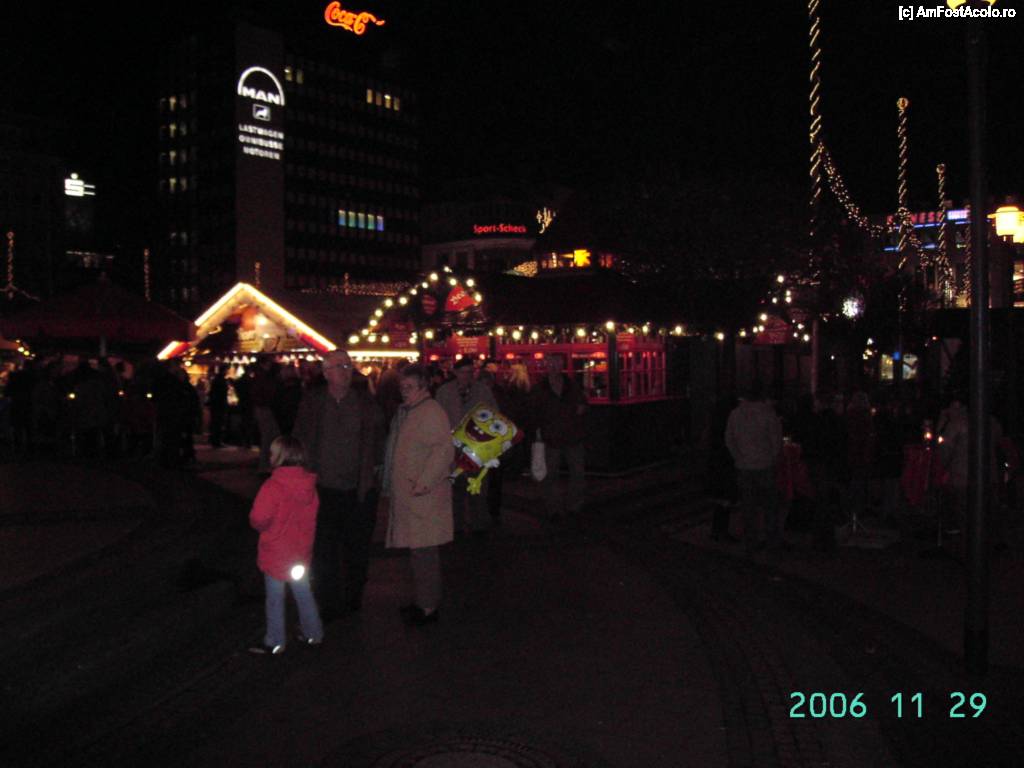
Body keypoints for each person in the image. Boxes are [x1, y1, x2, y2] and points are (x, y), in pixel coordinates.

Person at [293, 350, 382, 619]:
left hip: (358, 490)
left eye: (347, 366)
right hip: (323, 489)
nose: (345, 371)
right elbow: (300, 439)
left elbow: (378, 439)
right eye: (338, 366)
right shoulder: (314, 402)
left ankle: (354, 598)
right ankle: (328, 601)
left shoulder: (365, 403)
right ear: (325, 373)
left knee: (357, 548)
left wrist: (374, 474)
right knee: (324, 550)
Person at [382, 365, 454, 625]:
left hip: (423, 496)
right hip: (414, 495)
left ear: (423, 387)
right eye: (402, 387)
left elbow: (443, 450)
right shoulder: (410, 411)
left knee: (425, 554)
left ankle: (428, 607)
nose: (404, 391)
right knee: (419, 552)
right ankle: (423, 602)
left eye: (409, 387)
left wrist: (424, 483)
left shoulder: (430, 412)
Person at [247, 435, 324, 655]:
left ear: (280, 457)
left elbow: (258, 518)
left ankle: (275, 640)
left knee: (274, 599)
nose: (269, 456)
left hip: (276, 554)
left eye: (272, 453)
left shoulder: (273, 487)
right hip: (299, 555)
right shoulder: (309, 486)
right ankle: (313, 632)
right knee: (303, 593)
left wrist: (263, 525)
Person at [435, 357, 498, 535]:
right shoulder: (445, 392)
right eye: (463, 372)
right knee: (456, 489)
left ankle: (478, 524)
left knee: (477, 488)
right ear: (455, 373)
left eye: (470, 372)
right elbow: (438, 418)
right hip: (453, 446)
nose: (467, 376)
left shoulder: (482, 390)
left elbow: (494, 414)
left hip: (477, 446)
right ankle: (457, 525)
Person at [725, 382, 783, 553]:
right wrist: (772, 457)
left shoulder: (736, 414)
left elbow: (729, 439)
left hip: (744, 466)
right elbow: (776, 440)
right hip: (765, 465)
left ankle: (751, 541)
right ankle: (771, 541)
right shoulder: (768, 413)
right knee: (769, 506)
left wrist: (738, 456)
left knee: (748, 507)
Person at [531, 354, 588, 522]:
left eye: (557, 363)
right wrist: (538, 431)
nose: (554, 366)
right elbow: (532, 411)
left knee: (577, 473)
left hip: (572, 435)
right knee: (551, 475)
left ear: (561, 365)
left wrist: (582, 409)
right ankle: (554, 508)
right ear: (547, 365)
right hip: (551, 436)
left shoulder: (572, 385)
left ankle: (574, 505)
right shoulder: (540, 388)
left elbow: (584, 403)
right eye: (551, 363)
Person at [252, 356, 281, 473]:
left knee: (267, 436)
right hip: (265, 407)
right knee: (268, 436)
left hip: (262, 407)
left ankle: (265, 464)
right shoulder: (264, 377)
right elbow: (267, 393)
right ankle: (265, 465)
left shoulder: (259, 376)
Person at [207, 366, 228, 447]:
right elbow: (221, 394)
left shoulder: (216, 380)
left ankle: (215, 440)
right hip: (219, 405)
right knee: (218, 423)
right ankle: (217, 441)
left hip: (216, 404)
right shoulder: (221, 380)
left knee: (215, 423)